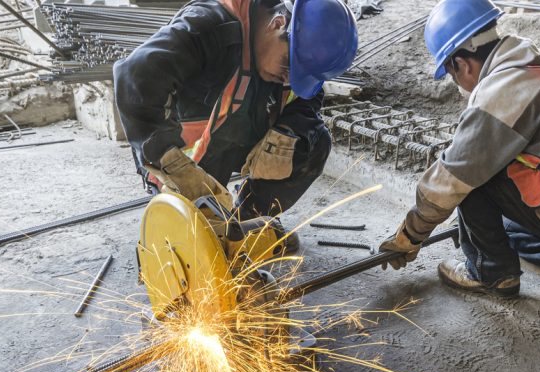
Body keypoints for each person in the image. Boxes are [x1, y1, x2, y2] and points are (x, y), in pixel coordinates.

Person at [379, 0, 540, 308]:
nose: (458, 85)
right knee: (508, 232)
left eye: (452, 75)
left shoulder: (504, 87)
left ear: (461, 64)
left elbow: (455, 174)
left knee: (474, 175)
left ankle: (491, 273)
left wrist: (413, 232)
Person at [113, 0, 357, 250]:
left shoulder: (285, 58)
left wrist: (288, 131)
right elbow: (135, 76)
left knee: (312, 141)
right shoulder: (208, 25)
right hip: (182, 161)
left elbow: (308, 98)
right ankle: (186, 214)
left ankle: (248, 219)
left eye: (298, 76)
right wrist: (169, 160)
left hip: (237, 140)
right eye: (288, 66)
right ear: (277, 24)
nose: (288, 78)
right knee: (197, 247)